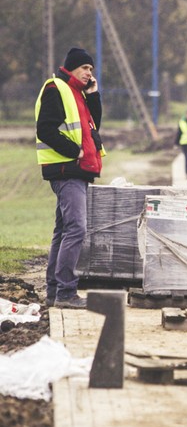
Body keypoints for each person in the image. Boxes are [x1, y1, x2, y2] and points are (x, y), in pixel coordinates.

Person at [35, 47, 104, 309]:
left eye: (91, 70)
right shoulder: (57, 88)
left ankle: (54, 291)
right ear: (73, 67)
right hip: (67, 169)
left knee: (63, 230)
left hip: (75, 170)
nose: (89, 73)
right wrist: (74, 151)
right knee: (76, 228)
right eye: (85, 68)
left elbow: (92, 126)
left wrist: (93, 95)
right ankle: (65, 292)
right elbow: (45, 129)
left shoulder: (77, 93)